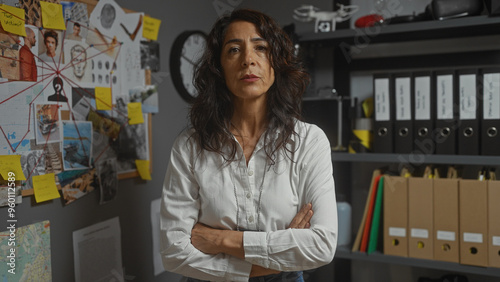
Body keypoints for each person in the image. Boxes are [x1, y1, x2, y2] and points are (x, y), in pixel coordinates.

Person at [160, 9, 337, 282]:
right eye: (233, 50)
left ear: (275, 63)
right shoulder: (190, 146)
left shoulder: (309, 141)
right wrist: (280, 254)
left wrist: (221, 240)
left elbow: (322, 246)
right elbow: (173, 251)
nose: (248, 60)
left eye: (261, 48)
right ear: (219, 68)